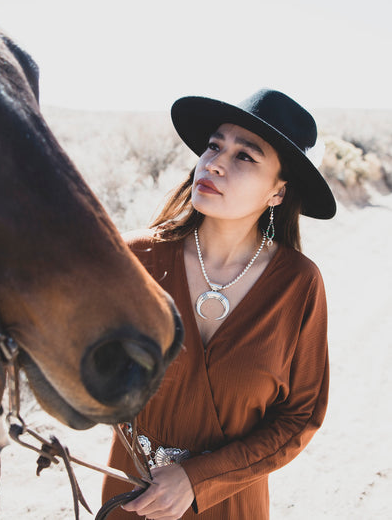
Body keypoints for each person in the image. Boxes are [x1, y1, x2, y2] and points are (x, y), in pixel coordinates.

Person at [101, 89, 336, 519]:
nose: (214, 163)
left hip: (231, 504)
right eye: (214, 145)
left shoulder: (299, 285)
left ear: (278, 192)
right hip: (130, 497)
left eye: (245, 156)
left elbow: (299, 417)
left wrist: (198, 477)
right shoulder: (135, 260)